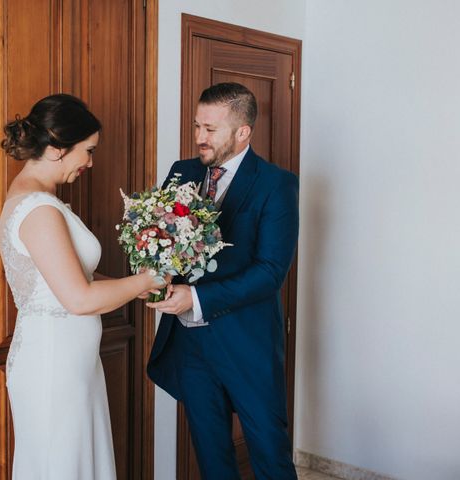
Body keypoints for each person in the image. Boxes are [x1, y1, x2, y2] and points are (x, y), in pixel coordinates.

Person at [0, 94, 167, 479]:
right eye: (87, 151)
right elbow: (77, 298)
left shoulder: (42, 201)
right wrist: (149, 278)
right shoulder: (39, 210)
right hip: (53, 363)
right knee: (61, 465)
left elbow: (72, 279)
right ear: (57, 147)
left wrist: (130, 286)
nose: (90, 162)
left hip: (68, 359)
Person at [146, 82, 299, 479]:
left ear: (242, 131)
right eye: (197, 126)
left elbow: (270, 271)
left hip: (247, 342)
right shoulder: (182, 172)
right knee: (212, 457)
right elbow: (161, 243)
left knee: (270, 454)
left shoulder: (276, 184)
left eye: (210, 129)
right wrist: (154, 275)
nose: (199, 137)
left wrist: (195, 298)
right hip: (190, 345)